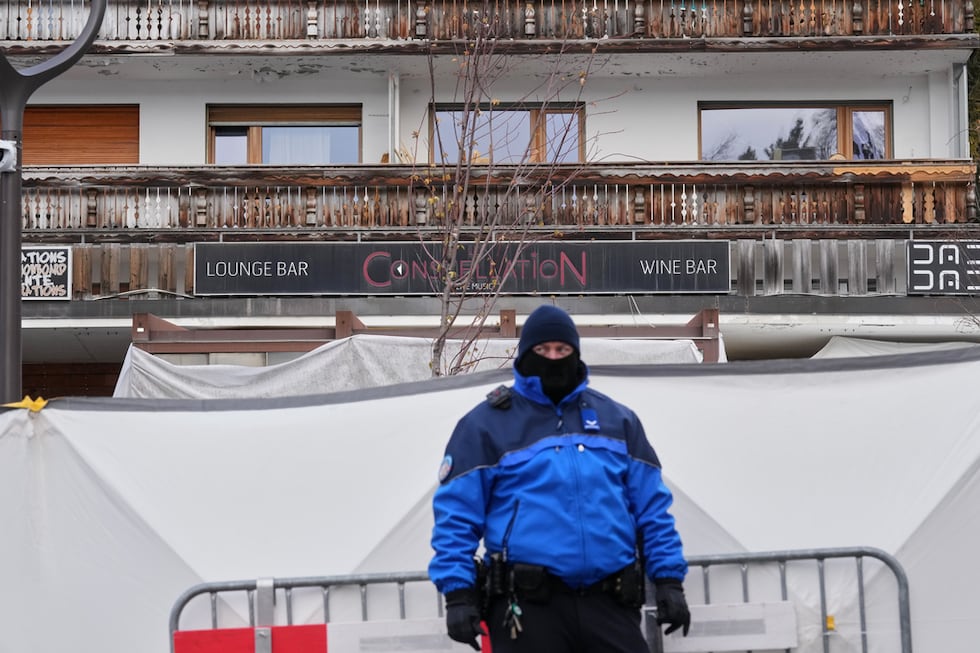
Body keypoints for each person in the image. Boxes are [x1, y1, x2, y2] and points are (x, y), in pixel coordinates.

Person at [428, 304, 690, 652]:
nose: (553, 358)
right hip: (529, 609)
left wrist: (669, 580)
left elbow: (652, 510)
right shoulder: (485, 425)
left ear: (576, 354)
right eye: (543, 350)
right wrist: (458, 595)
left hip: (609, 603)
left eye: (562, 350)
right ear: (526, 354)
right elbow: (456, 517)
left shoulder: (617, 420)